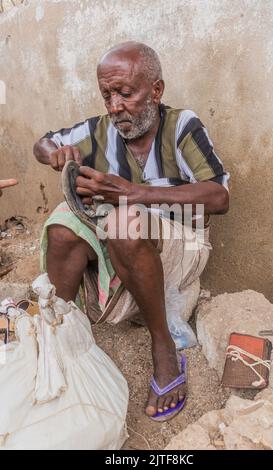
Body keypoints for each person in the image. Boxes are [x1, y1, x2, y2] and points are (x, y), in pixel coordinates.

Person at [33, 41, 229, 421]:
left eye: (125, 93)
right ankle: (62, 340)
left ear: (156, 90)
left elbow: (219, 197)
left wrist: (133, 193)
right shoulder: (99, 130)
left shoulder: (181, 126)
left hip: (180, 249)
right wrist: (55, 154)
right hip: (123, 245)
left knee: (124, 218)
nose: (114, 106)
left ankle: (163, 348)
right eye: (107, 95)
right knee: (61, 226)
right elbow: (44, 143)